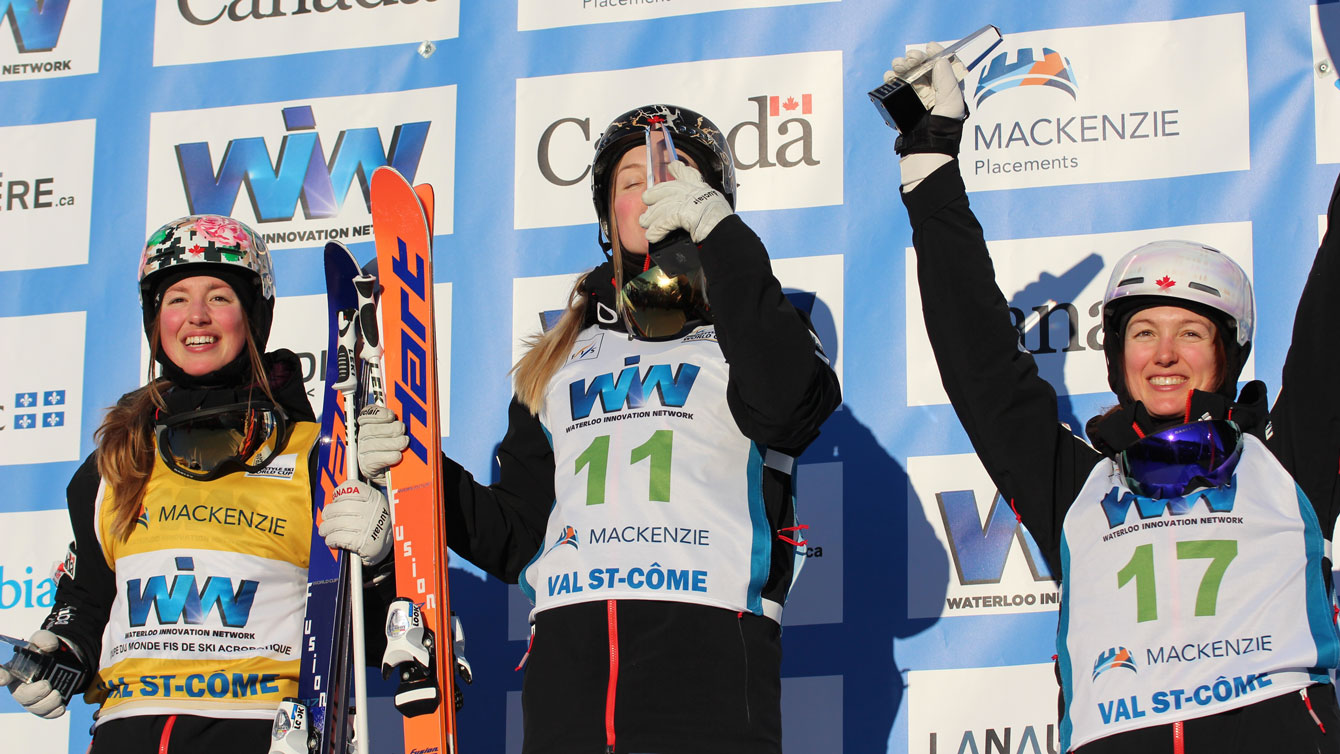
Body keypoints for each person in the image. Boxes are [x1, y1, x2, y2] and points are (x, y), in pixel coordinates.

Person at [887, 45, 1340, 752]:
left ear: (1228, 354)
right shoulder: (1074, 484)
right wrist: (930, 164)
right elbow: (981, 367)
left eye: (1191, 332)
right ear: (1117, 354)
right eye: (1143, 332)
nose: (1163, 354)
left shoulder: (1288, 467)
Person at [350, 103, 841, 754]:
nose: (653, 186)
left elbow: (788, 408)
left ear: (714, 198)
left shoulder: (754, 328)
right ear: (609, 216)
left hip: (709, 657)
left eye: (676, 171)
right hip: (567, 669)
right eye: (630, 180)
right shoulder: (561, 355)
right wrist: (412, 474)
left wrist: (723, 244)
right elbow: (521, 536)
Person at [0, 215, 390, 753]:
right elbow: (90, 599)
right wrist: (62, 649)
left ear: (254, 314)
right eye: (176, 299)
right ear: (154, 319)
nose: (197, 317)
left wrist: (380, 565)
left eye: (219, 297)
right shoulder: (116, 461)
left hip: (262, 732)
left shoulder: (315, 454)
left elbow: (364, 634)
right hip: (126, 734)